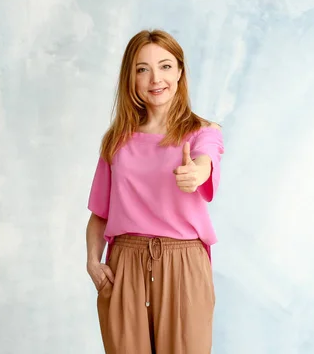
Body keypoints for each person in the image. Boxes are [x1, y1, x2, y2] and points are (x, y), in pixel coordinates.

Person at [85, 29, 224, 354]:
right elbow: (98, 214)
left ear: (179, 71)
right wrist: (93, 262)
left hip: (184, 264)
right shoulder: (116, 141)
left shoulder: (203, 133)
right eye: (142, 69)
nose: (154, 78)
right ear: (130, 78)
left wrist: (195, 173)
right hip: (124, 264)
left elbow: (205, 160)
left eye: (164, 66)